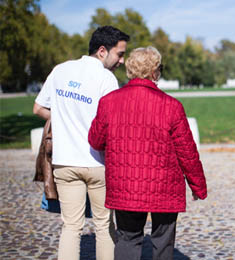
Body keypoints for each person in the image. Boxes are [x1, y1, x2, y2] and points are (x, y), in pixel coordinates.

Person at [88, 46, 208, 260]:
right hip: (164, 186)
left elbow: (96, 141)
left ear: (130, 71)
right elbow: (186, 151)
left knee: (127, 238)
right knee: (163, 241)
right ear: (155, 72)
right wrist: (197, 185)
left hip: (125, 184)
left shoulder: (109, 102)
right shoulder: (172, 106)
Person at [33, 25, 130, 260]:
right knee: (104, 227)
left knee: (71, 227)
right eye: (120, 54)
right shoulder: (106, 79)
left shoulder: (60, 70)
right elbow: (111, 125)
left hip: (64, 162)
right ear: (102, 51)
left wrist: (65, 119)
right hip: (98, 163)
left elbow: (38, 108)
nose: (122, 61)